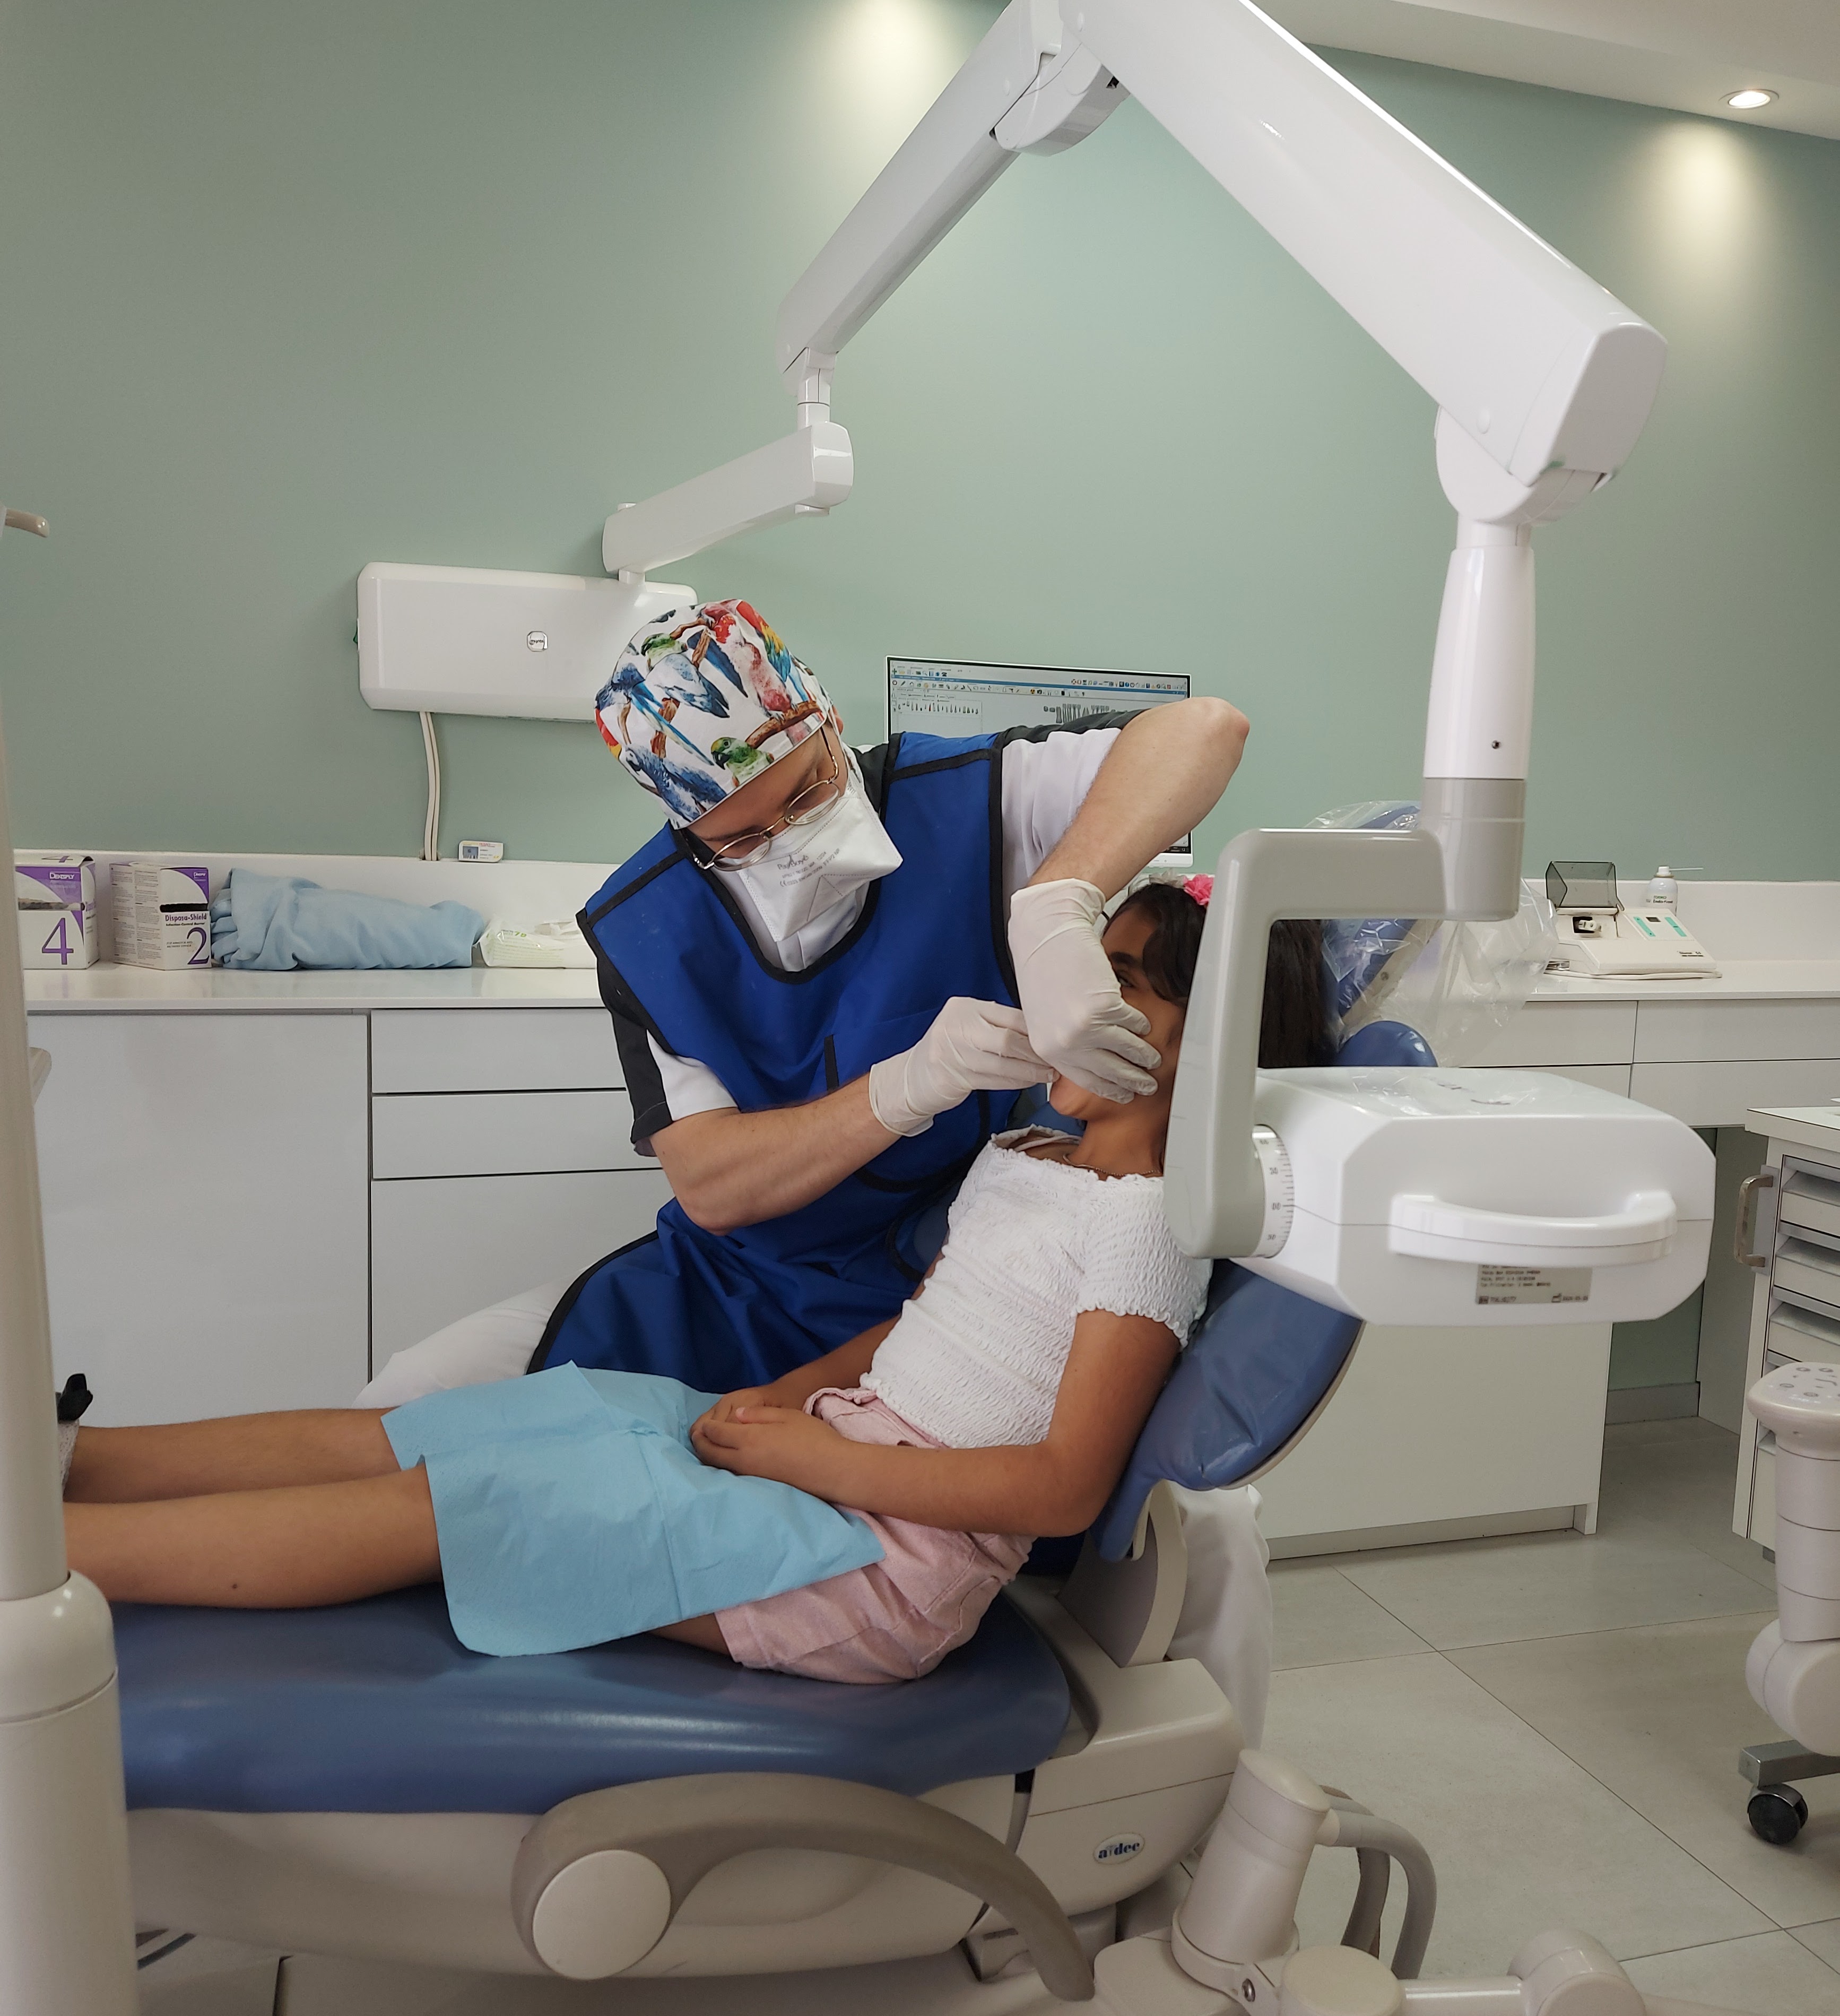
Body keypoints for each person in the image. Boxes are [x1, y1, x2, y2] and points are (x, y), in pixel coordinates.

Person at [63, 886, 1224, 1673]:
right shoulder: (1029, 1154)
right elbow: (921, 1327)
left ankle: (49, 1558)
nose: (1079, 1002)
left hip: (882, 1570)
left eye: (1127, 981)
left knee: (467, 1505)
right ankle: (75, 1458)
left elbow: (1062, 1490)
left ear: (1211, 1032)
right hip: (841, 1452)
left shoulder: (1145, 1226)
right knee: (451, 1425)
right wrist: (785, 1402)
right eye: (1082, 970)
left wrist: (810, 1457)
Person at [357, 600, 1250, 1411]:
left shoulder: (965, 801)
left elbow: (1205, 729)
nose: (791, 841)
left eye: (808, 792)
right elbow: (712, 1186)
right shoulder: (646, 932)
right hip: (735, 1281)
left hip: (952, 1273)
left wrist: (1056, 904)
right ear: (687, 831)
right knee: (413, 1396)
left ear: (829, 722)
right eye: (743, 837)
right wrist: (904, 1088)